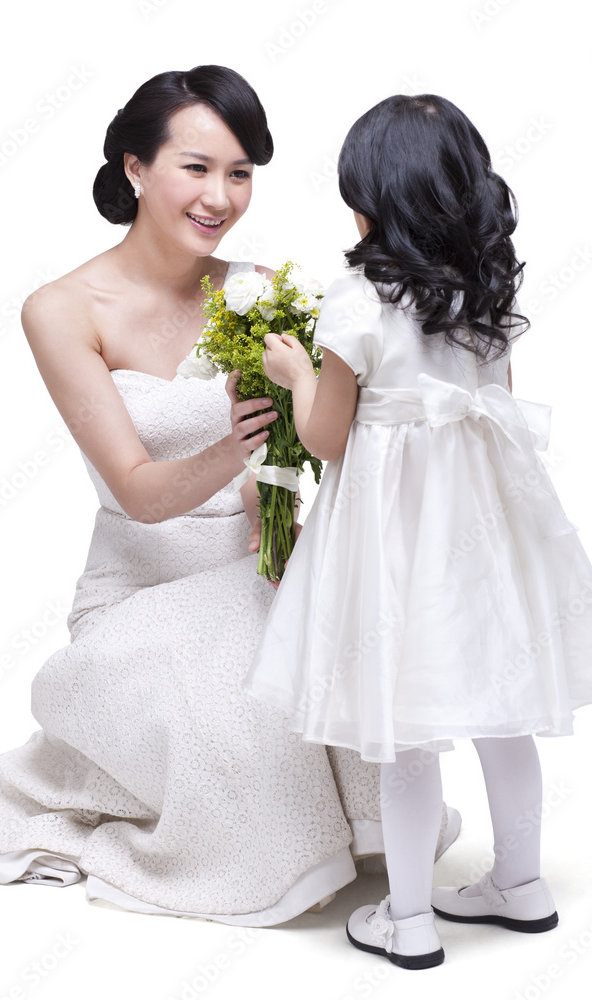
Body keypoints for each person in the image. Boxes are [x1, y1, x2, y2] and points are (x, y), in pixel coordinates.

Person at [0, 68, 460, 926]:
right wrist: (235, 441)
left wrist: (285, 532)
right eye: (196, 167)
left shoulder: (259, 286)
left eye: (241, 172)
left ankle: (358, 834)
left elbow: (305, 449)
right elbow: (137, 492)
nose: (220, 196)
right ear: (135, 168)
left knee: (334, 655)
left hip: (256, 572)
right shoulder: (62, 309)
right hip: (135, 599)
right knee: (236, 701)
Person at [243, 93, 592, 962]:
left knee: (401, 712)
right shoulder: (488, 289)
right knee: (501, 705)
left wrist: (290, 372)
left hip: (394, 539)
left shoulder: (357, 297)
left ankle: (407, 921)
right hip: (489, 531)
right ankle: (520, 884)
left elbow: (326, 438)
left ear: (376, 200)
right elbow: (498, 408)